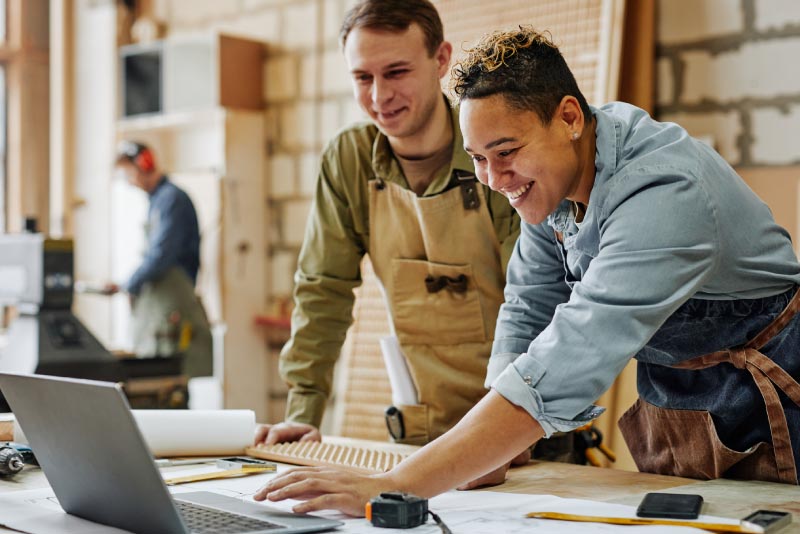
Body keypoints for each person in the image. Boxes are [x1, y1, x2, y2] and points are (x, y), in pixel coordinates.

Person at [253, 26, 800, 515]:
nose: (493, 179)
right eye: (477, 158)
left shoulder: (664, 193)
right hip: (683, 406)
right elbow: (528, 307)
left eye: (506, 152)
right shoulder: (555, 180)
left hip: (773, 410)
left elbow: (568, 356)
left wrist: (395, 486)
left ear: (567, 117)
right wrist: (497, 449)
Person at [254, 0, 545, 467]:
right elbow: (322, 292)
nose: (379, 96)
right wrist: (302, 412)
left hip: (528, 432)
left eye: (396, 72)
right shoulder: (348, 160)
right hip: (423, 436)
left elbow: (535, 298)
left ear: (441, 60)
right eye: (362, 78)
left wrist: (513, 426)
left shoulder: (495, 151)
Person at [107, 140, 213, 378]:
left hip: (174, 303)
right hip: (163, 305)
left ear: (144, 165)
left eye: (129, 174)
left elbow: (161, 255)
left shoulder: (171, 199)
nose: (130, 182)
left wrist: (130, 284)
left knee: (172, 383)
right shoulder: (157, 201)